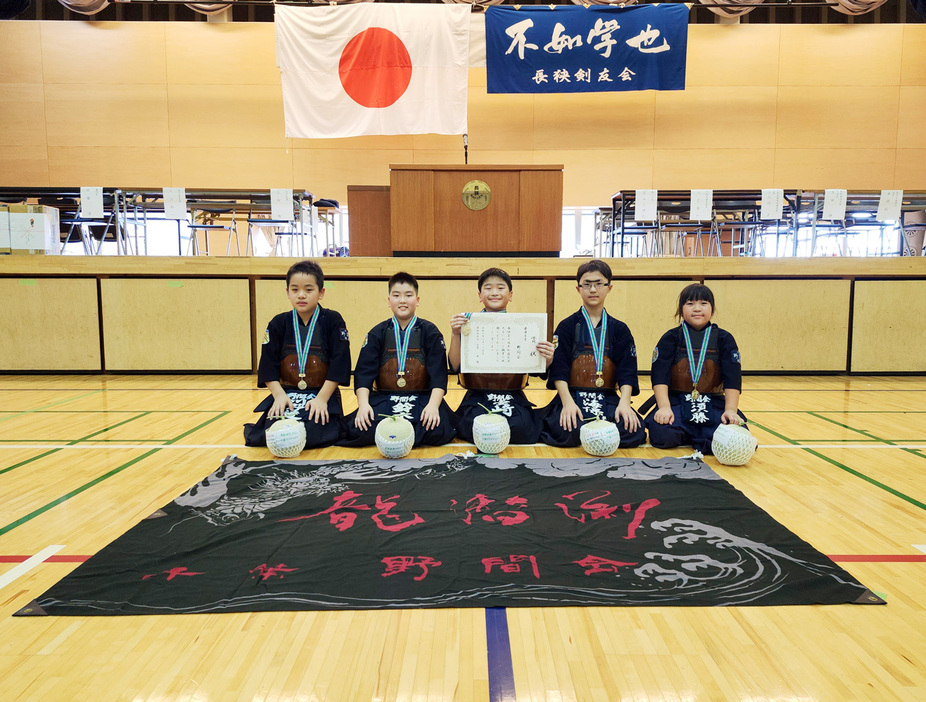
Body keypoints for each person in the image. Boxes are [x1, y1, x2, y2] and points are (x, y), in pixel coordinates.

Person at [339, 272, 456, 447]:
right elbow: (364, 374)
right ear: (389, 300)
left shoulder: (430, 332)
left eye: (408, 295)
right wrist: (363, 406)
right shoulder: (377, 333)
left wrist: (433, 406)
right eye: (396, 295)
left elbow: (439, 375)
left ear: (417, 300)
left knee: (437, 428)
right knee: (359, 428)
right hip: (385, 397)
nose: (402, 300)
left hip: (421, 397)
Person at [244, 259, 350, 449]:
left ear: (321, 293)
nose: (301, 295)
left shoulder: (332, 320)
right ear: (287, 292)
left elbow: (339, 363)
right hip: (287, 394)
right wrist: (278, 396)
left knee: (316, 434)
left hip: (321, 393)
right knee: (275, 435)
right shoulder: (278, 323)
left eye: (309, 290)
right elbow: (268, 364)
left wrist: (322, 399)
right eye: (295, 290)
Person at [539, 259, 646, 448]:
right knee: (567, 430)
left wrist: (625, 404)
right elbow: (559, 369)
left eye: (599, 284)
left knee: (632, 430)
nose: (593, 290)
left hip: (607, 397)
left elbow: (627, 371)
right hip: (573, 395)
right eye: (587, 285)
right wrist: (567, 403)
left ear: (609, 288)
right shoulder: (567, 326)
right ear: (578, 289)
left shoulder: (620, 329)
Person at [448, 267, 554, 444]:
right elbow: (455, 366)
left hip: (512, 394)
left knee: (523, 429)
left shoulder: (524, 328)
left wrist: (548, 358)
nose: (494, 292)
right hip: (478, 395)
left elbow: (539, 372)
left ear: (510, 295)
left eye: (500, 287)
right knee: (469, 426)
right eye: (488, 288)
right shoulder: (467, 326)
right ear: (480, 296)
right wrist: (454, 334)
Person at [644, 283, 747, 454]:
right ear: (681, 309)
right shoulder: (670, 338)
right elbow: (659, 376)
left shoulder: (724, 339)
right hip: (676, 401)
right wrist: (664, 407)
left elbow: (732, 378)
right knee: (662, 435)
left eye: (703, 303)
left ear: (712, 309)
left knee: (736, 435)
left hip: (712, 402)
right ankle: (691, 433)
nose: (697, 309)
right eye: (690, 303)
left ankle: (693, 433)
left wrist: (730, 410)